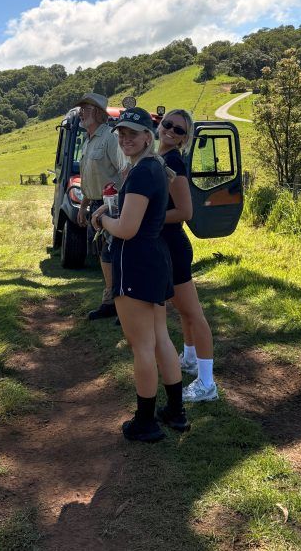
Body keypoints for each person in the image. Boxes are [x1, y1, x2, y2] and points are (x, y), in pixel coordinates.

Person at [92, 107, 189, 442]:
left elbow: (128, 229)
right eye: (120, 133)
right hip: (155, 260)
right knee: (160, 338)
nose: (125, 138)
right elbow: (138, 215)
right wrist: (113, 210)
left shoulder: (144, 171)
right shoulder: (152, 168)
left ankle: (145, 422)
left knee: (143, 345)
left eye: (132, 133)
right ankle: (175, 411)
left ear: (149, 136)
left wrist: (100, 219)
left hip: (137, 262)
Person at [157, 109, 218, 403]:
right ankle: (191, 359)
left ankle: (207, 384)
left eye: (179, 130)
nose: (170, 131)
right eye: (167, 124)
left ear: (185, 138)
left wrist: (148, 218)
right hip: (166, 247)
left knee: (194, 314)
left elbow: (185, 212)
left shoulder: (174, 164)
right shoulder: (160, 158)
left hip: (174, 247)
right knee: (183, 310)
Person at [75, 92, 121, 320]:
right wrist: (84, 205)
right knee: (104, 256)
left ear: (100, 113)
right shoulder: (88, 140)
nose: (81, 112)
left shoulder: (111, 138)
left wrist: (113, 204)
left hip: (111, 207)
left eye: (87, 108)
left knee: (114, 255)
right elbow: (89, 177)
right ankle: (110, 302)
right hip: (94, 205)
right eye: (81, 108)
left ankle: (122, 306)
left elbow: (124, 173)